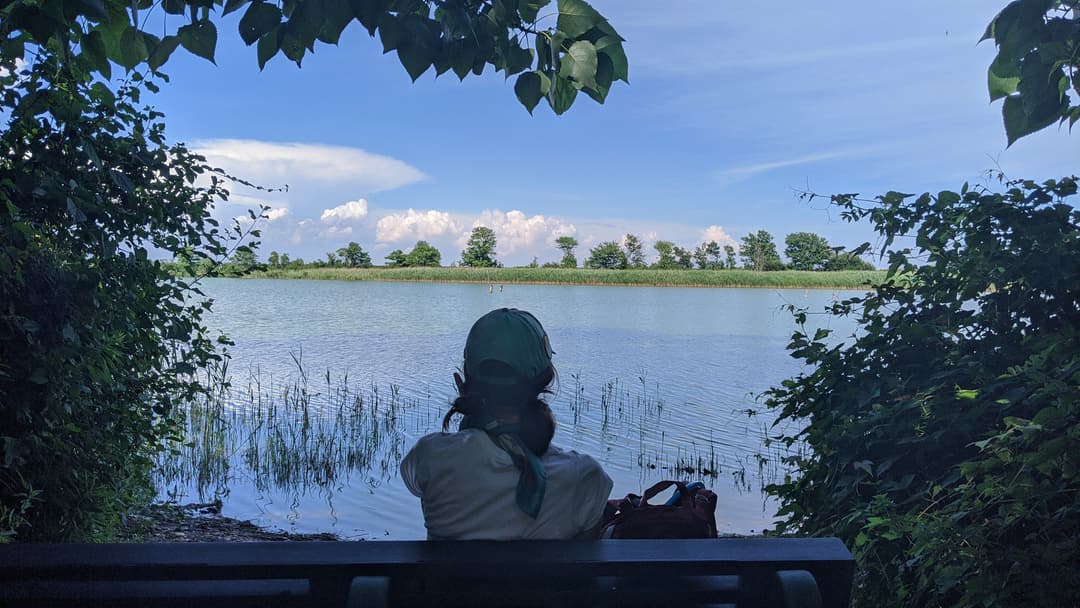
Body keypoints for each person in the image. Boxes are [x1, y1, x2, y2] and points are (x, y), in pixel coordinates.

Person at [400, 308, 613, 540]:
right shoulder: (585, 477)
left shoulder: (431, 457)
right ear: (545, 380)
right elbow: (589, 553)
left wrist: (474, 415)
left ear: (465, 379)